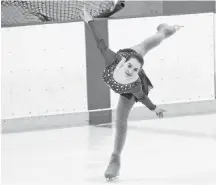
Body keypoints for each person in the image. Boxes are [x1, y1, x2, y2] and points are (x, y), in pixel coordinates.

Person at [80, 9, 181, 179]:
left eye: (135, 70)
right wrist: (89, 21)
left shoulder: (134, 85)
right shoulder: (112, 59)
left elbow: (142, 97)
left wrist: (154, 108)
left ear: (139, 72)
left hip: (131, 72)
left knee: (120, 121)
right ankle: (166, 31)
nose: (131, 71)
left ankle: (115, 158)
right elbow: (99, 41)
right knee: (143, 46)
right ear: (123, 62)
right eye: (130, 67)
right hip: (128, 56)